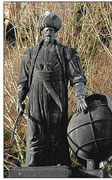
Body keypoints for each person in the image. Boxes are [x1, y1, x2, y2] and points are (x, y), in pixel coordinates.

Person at [17, 11, 87, 167]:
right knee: (36, 128)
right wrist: (19, 100)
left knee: (57, 128)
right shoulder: (30, 54)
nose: (48, 32)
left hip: (57, 94)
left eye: (51, 29)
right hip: (36, 95)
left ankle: (59, 160)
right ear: (42, 32)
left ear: (55, 32)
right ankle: (34, 158)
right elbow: (23, 80)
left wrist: (80, 97)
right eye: (46, 29)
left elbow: (77, 77)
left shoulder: (66, 52)